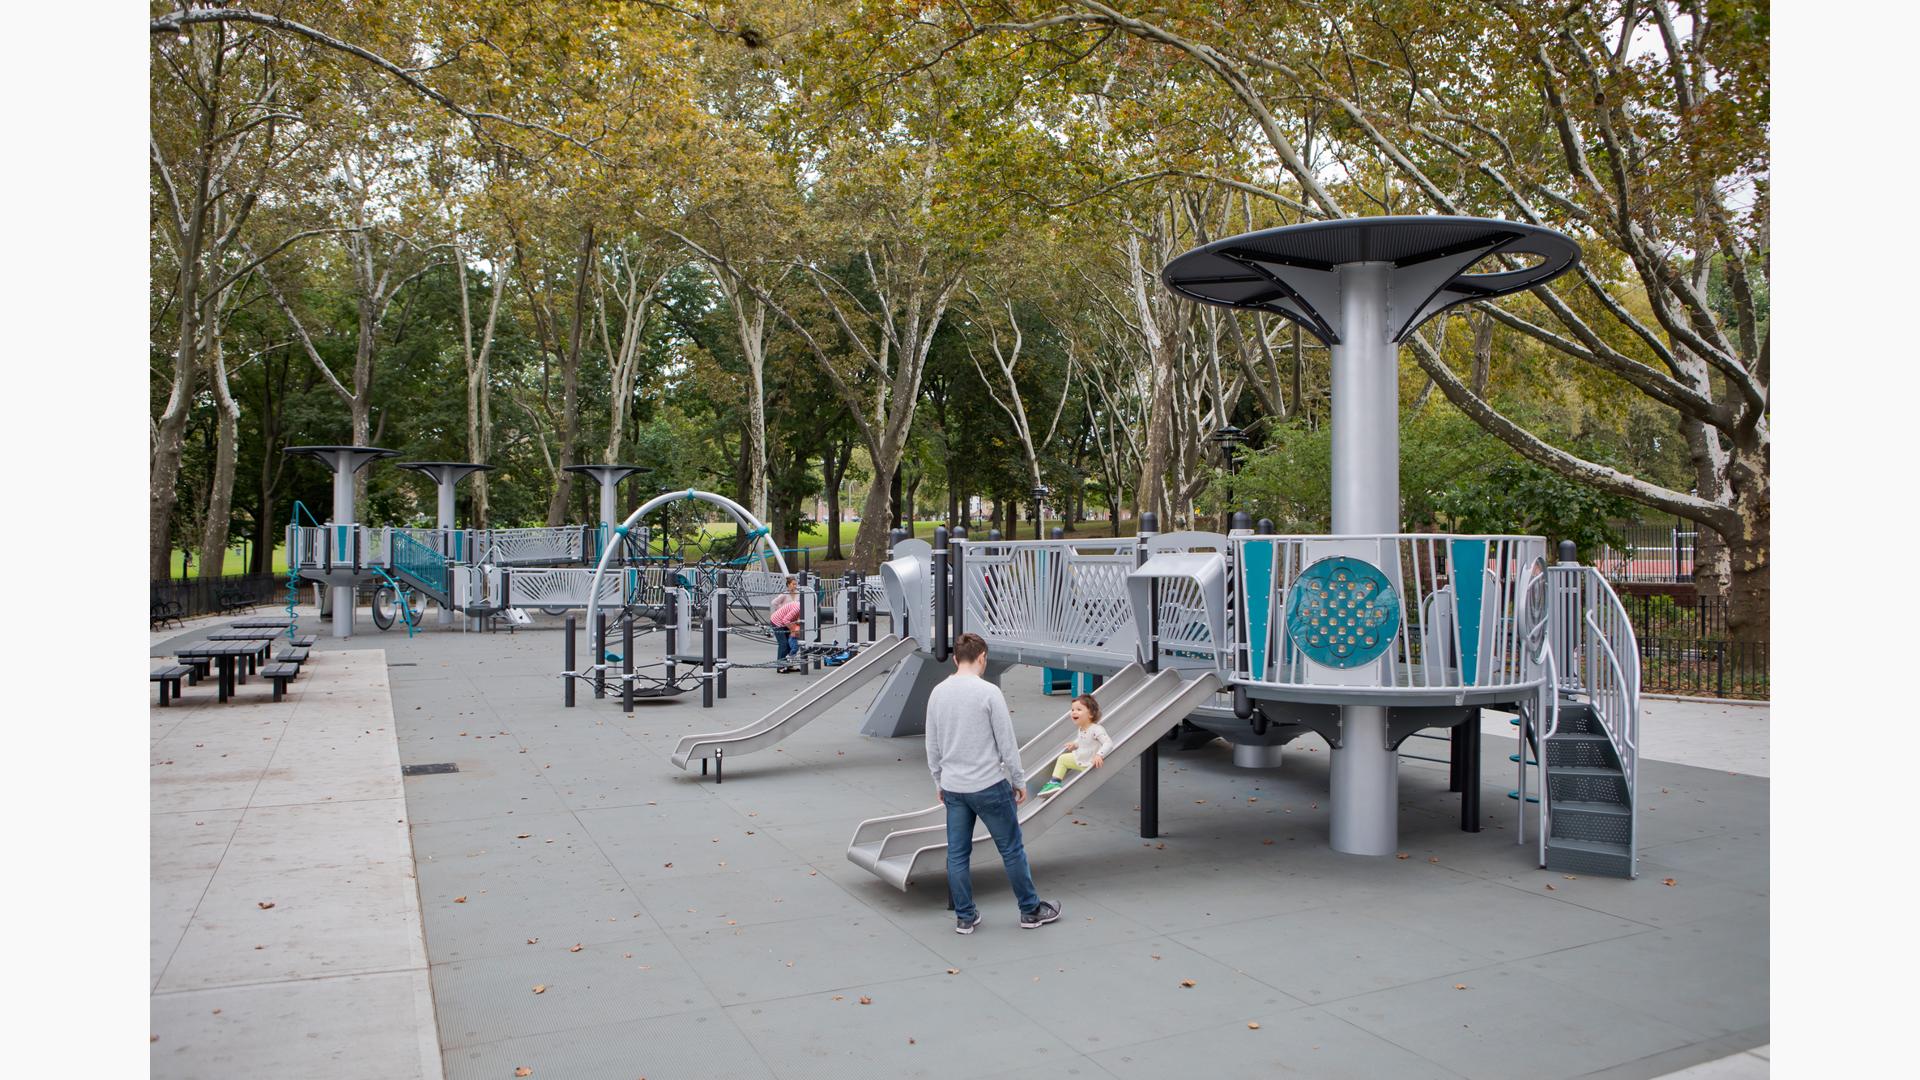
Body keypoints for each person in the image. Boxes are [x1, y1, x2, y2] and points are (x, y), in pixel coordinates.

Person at [925, 632, 1061, 934]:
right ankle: (1030, 910)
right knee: (1011, 849)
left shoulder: (937, 693)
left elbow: (932, 745)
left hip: (954, 786)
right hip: (988, 784)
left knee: (957, 855)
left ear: (956, 658)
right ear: (982, 657)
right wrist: (1018, 779)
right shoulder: (988, 693)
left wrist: (939, 780)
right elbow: (1006, 743)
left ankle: (965, 916)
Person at [1036, 694, 1112, 797]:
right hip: (1080, 758)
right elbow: (1083, 741)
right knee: (1062, 759)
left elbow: (1108, 743)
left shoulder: (1096, 729)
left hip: (1090, 763)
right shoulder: (1081, 728)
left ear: (1090, 714)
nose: (1074, 712)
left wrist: (1099, 755)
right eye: (1072, 710)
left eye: (1079, 709)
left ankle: (1055, 783)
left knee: (1078, 786)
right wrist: (1075, 744)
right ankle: (1054, 783)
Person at [768, 577, 804, 671]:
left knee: (790, 643)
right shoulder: (785, 594)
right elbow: (774, 603)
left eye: (796, 584)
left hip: (789, 620)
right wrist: (782, 609)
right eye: (793, 584)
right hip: (779, 621)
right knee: (783, 643)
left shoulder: (798, 595)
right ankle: (780, 666)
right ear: (788, 585)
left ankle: (788, 665)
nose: (795, 586)